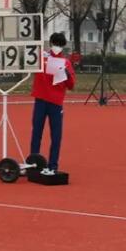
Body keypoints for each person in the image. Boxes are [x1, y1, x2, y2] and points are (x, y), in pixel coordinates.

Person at [30, 31, 76, 176]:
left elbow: (71, 85)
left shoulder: (66, 62)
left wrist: (67, 75)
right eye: (55, 44)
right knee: (36, 132)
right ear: (50, 44)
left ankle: (52, 165)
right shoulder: (42, 57)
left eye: (60, 45)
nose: (57, 47)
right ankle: (33, 162)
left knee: (56, 135)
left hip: (55, 102)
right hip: (41, 100)